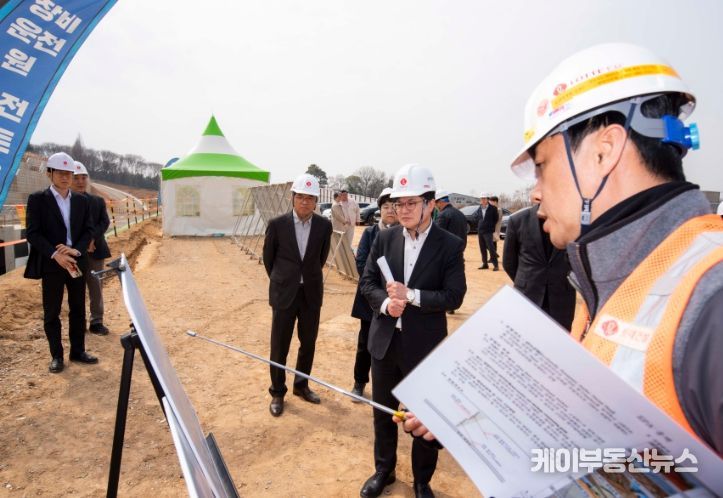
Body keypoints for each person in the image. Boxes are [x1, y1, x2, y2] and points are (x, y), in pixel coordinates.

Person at [401, 43, 723, 457]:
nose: (535, 191)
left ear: (604, 151)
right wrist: (485, 414)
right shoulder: (616, 277)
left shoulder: (711, 298)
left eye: (541, 166)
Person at [359, 164, 466, 498]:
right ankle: (384, 470)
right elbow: (368, 282)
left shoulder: (449, 245)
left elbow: (454, 295)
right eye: (398, 203)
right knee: (383, 411)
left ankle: (422, 480)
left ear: (430, 203)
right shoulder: (384, 237)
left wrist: (412, 296)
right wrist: (385, 304)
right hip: (385, 342)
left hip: (424, 346)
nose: (402, 210)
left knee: (425, 415)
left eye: (411, 203)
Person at [262, 173, 332, 417]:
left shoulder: (324, 226)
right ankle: (277, 392)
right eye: (300, 196)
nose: (304, 202)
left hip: (310, 293)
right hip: (284, 293)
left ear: (316, 201)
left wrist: (305, 278)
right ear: (292, 198)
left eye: (310, 198)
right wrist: (284, 279)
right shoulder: (277, 225)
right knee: (279, 345)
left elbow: (321, 258)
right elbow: (269, 260)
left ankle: (301, 385)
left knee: (308, 342)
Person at [24, 152, 98, 373]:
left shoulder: (81, 201)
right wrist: (55, 254)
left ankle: (78, 351)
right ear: (50, 173)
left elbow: (88, 230)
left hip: (76, 261)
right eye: (60, 173)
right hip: (52, 264)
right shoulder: (38, 200)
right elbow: (33, 233)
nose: (66, 178)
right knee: (52, 311)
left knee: (78, 307)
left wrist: (76, 250)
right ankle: (56, 356)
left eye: (69, 173)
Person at [350, 187, 397, 400]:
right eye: (386, 206)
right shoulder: (370, 233)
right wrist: (379, 290)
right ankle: (359, 382)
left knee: (393, 346)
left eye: (394, 206)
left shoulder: (405, 235)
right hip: (371, 300)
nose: (391, 210)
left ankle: (392, 389)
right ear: (380, 210)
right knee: (365, 344)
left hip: (397, 300)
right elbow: (361, 262)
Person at [502, 198, 575, 330]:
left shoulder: (573, 221)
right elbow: (509, 262)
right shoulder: (518, 220)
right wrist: (526, 281)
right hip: (527, 295)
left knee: (558, 338)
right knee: (525, 335)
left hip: (562, 297)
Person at [71, 162, 111, 336]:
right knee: (76, 288)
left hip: (96, 251)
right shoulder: (66, 202)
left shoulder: (97, 201)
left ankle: (96, 321)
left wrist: (92, 238)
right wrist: (84, 243)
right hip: (74, 253)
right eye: (76, 178)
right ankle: (79, 322)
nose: (80, 182)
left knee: (96, 287)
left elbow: (104, 222)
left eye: (83, 178)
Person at [474, 193, 499, 270]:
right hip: (480, 231)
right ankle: (485, 264)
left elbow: (496, 219)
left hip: (488, 231)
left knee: (491, 248)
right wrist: (479, 225)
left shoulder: (493, 208)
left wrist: (490, 226)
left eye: (484, 198)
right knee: (482, 248)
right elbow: (477, 217)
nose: (483, 200)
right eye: (481, 199)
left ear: (487, 199)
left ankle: (496, 265)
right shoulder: (479, 208)